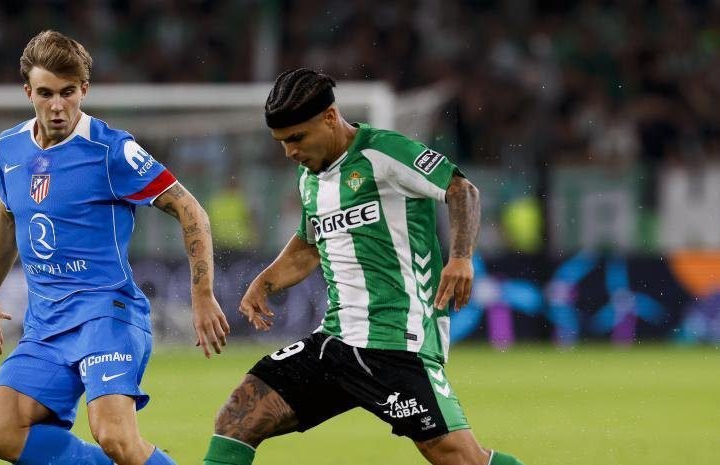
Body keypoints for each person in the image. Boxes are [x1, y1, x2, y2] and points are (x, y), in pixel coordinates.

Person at [203, 68, 525, 465]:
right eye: (282, 143)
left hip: (396, 345)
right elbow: (309, 244)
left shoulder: (384, 153)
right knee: (237, 417)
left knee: (463, 460)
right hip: (334, 343)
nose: (290, 152)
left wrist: (460, 257)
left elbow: (462, 190)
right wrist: (266, 281)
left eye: (297, 138)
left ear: (329, 117)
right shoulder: (310, 179)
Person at [0, 31, 230, 465]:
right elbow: (7, 217)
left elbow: (190, 211)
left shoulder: (112, 150)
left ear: (84, 90)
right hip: (46, 326)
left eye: (68, 93)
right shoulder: (9, 147)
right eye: (45, 93)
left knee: (116, 437)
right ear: (27, 92)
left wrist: (202, 293)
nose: (57, 106)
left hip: (106, 314)